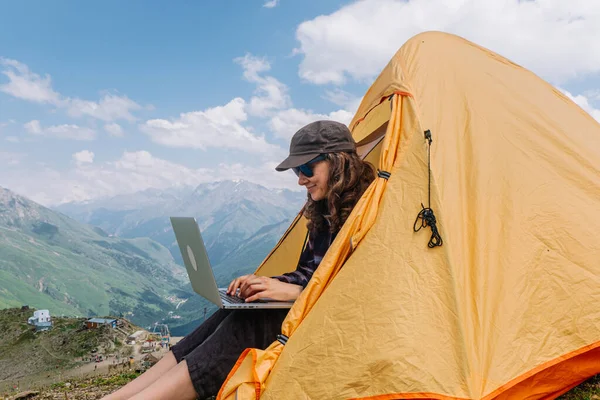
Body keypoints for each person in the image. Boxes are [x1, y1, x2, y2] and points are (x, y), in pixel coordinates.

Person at [102, 120, 375, 400]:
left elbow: (363, 291)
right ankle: (119, 396)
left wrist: (301, 293)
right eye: (297, 170)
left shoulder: (369, 212)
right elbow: (311, 271)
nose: (300, 179)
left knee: (247, 325)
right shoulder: (326, 208)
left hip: (338, 322)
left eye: (306, 168)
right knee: (233, 311)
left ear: (338, 163)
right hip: (308, 307)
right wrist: (269, 284)